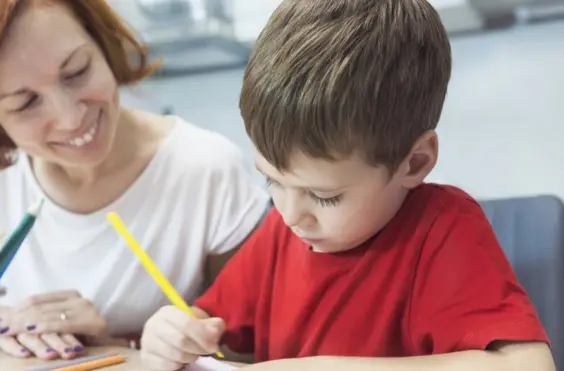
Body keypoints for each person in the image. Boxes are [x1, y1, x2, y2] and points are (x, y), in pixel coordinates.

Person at [139, 0, 557, 370]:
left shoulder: (441, 229)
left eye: (324, 196)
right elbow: (204, 325)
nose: (290, 213)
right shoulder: (280, 234)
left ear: (414, 162)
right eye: (272, 180)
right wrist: (174, 334)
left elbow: (527, 365)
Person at [0, 0, 269, 362]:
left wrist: (118, 343)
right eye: (25, 102)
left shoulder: (206, 170)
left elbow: (248, 353)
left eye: (76, 71)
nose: (70, 118)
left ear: (102, 42)